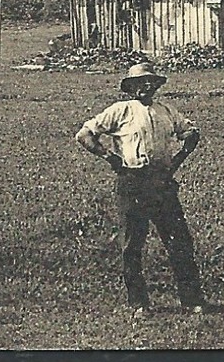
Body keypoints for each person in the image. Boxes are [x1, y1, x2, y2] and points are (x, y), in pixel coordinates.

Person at [76, 62, 207, 316]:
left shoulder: (167, 111)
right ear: (131, 87)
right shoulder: (120, 110)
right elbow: (84, 135)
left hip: (162, 183)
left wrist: (179, 158)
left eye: (150, 83)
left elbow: (191, 132)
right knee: (133, 244)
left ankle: (192, 300)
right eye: (139, 84)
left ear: (156, 86)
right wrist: (109, 158)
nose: (145, 88)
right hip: (133, 183)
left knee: (179, 241)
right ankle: (139, 303)